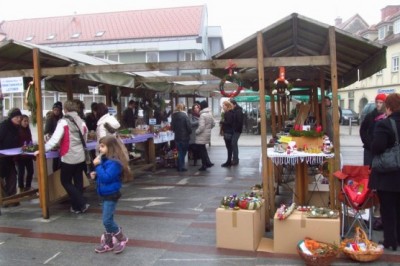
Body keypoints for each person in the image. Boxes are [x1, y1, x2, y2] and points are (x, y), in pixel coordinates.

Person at [41, 100, 89, 214]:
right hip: (80, 155)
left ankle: (81, 203)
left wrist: (43, 149)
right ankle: (76, 207)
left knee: (65, 181)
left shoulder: (63, 122)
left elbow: (54, 139)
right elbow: (85, 139)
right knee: (78, 181)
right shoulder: (82, 122)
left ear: (65, 110)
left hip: (68, 155)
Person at [368, 93, 400, 251]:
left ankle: (390, 241)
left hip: (388, 174)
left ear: (389, 107)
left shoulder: (385, 124)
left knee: (388, 208)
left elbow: (377, 147)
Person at [91, 135, 130, 254]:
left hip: (111, 194)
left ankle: (122, 238)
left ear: (111, 147)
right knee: (108, 219)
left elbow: (107, 177)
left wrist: (97, 166)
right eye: (100, 146)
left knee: (107, 221)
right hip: (104, 193)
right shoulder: (106, 160)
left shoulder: (115, 163)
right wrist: (96, 175)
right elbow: (103, 176)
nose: (99, 149)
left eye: (102, 146)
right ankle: (109, 243)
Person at [0, 108, 23, 202]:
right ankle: (5, 199)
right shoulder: (4, 126)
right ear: (11, 118)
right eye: (16, 117)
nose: (19, 119)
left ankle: (11, 199)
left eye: (20, 117)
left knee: (13, 177)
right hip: (2, 157)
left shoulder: (17, 128)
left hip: (10, 158)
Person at [360, 94, 387, 166]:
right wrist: (367, 142)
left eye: (381, 102)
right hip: (369, 149)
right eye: (377, 102)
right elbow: (363, 130)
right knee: (367, 171)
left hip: (382, 150)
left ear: (384, 104)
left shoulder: (387, 117)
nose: (378, 104)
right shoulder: (370, 116)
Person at [170, 103, 192, 172]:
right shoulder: (185, 115)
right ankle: (181, 166)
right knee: (183, 152)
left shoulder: (173, 116)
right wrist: (189, 132)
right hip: (185, 137)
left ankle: (179, 166)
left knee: (179, 151)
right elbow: (189, 126)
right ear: (183, 108)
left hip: (177, 136)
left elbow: (172, 127)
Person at [195, 100, 215, 171]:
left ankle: (204, 165)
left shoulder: (202, 115)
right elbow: (213, 124)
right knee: (203, 149)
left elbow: (201, 127)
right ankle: (207, 163)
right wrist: (208, 129)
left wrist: (196, 132)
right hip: (207, 134)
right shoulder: (209, 114)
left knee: (202, 150)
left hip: (201, 135)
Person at [17, 115, 34, 192]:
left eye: (27, 121)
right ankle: (21, 187)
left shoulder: (28, 130)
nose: (26, 123)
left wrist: (32, 151)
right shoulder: (17, 130)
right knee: (21, 172)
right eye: (25, 121)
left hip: (28, 155)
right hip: (20, 156)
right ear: (21, 121)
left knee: (31, 171)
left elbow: (30, 141)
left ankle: (28, 186)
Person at [44, 101, 63, 172]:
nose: (56, 112)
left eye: (58, 110)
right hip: (53, 140)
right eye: (55, 110)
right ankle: (55, 173)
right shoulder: (50, 118)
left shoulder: (62, 118)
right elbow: (46, 131)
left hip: (61, 141)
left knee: (60, 160)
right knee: (55, 160)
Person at [229, 99, 244, 166]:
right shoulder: (235, 110)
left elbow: (239, 122)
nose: (230, 106)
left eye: (231, 104)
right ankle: (235, 158)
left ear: (234, 104)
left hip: (237, 130)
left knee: (233, 143)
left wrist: (235, 128)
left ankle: (235, 160)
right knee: (234, 144)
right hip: (235, 130)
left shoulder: (238, 111)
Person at [220, 101, 235, 167]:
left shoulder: (228, 113)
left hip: (228, 132)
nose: (223, 107)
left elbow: (229, 122)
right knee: (229, 147)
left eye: (223, 105)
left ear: (227, 106)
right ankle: (229, 160)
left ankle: (228, 161)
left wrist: (222, 122)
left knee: (228, 147)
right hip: (230, 131)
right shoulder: (232, 112)